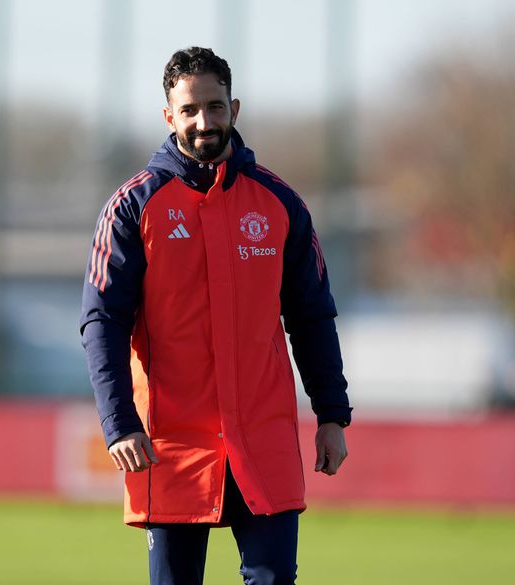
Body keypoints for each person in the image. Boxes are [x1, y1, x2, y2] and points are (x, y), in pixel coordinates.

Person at [80, 47, 352, 585]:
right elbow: (101, 323)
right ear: (169, 116)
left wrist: (332, 415)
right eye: (190, 110)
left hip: (264, 436)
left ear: (235, 108)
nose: (205, 122)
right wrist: (118, 424)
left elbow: (313, 318)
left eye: (216, 107)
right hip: (169, 442)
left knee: (274, 579)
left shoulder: (279, 203)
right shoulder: (134, 205)